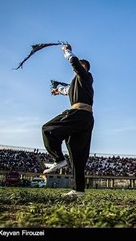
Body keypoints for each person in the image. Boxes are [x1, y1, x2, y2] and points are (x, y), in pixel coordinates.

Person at [42, 43, 94, 198]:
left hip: (78, 114)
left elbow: (74, 63)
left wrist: (67, 51)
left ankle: (58, 159)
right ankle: (78, 190)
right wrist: (57, 91)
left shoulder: (85, 76)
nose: (80, 67)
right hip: (85, 119)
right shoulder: (76, 84)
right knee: (77, 155)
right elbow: (67, 91)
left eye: (83, 65)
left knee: (47, 128)